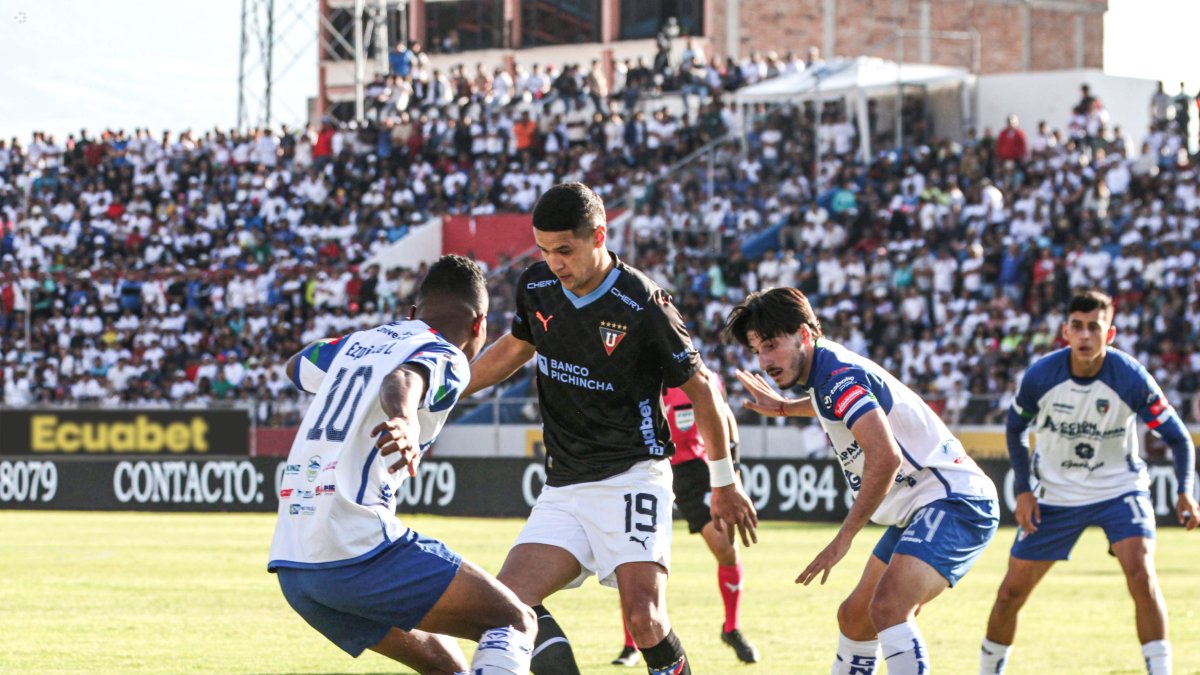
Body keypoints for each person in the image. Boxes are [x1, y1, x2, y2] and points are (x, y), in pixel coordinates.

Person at [460, 182, 758, 675]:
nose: (554, 263)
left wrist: (724, 482)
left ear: (599, 235)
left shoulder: (643, 302)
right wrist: (446, 390)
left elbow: (704, 390)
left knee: (645, 619)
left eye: (564, 250)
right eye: (543, 250)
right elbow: (515, 348)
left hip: (632, 475)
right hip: (566, 484)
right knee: (508, 605)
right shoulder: (537, 285)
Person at [267, 254, 537, 675]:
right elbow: (404, 379)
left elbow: (297, 364)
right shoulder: (446, 352)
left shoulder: (358, 344)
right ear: (479, 325)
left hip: (295, 565)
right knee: (515, 621)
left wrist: (368, 347)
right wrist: (405, 419)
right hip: (354, 550)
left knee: (448, 666)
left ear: (412, 313)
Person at [725, 286, 999, 675]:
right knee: (855, 618)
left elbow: (886, 458)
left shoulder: (837, 375)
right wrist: (787, 408)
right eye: (757, 351)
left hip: (955, 501)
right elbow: (835, 402)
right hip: (923, 505)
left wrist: (843, 538)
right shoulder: (828, 372)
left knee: (888, 607)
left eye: (771, 345)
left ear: (804, 334)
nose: (765, 361)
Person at [978, 290, 1197, 675]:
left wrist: (1184, 491)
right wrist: (1024, 490)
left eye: (1094, 327)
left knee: (1142, 574)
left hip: (1119, 489)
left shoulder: (1130, 377)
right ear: (1065, 331)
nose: (1084, 335)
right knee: (1010, 592)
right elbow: (1014, 428)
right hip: (1055, 494)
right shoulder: (1041, 376)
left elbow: (1178, 438)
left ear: (1109, 334)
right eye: (1077, 327)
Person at [611, 386, 760, 667]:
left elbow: (724, 414)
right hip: (647, 467)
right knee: (632, 556)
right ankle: (631, 645)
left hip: (693, 470)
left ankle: (731, 628)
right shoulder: (635, 371)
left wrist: (733, 471)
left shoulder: (694, 373)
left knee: (727, 549)